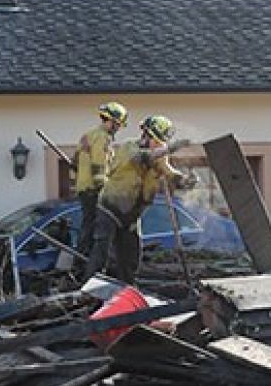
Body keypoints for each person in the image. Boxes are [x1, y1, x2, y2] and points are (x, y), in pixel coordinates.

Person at [82, 115, 198, 285]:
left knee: (131, 256)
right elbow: (143, 157)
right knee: (102, 249)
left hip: (131, 215)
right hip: (110, 208)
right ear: (145, 135)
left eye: (161, 142)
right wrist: (169, 149)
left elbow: (169, 172)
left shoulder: (159, 154)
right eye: (156, 141)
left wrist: (184, 180)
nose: (158, 145)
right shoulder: (129, 147)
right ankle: (89, 286)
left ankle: (127, 288)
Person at [74, 101, 128, 258]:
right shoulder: (103, 139)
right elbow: (98, 168)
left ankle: (83, 255)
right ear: (111, 121)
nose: (117, 129)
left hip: (83, 187)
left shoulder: (88, 135)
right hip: (94, 189)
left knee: (88, 223)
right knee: (99, 227)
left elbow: (74, 162)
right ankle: (90, 258)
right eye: (117, 125)